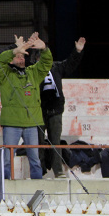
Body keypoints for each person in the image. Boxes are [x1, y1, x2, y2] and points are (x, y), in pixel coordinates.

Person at [0, 32, 52, 180]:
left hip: (32, 123)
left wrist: (44, 49)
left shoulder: (33, 73)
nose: (21, 58)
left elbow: (46, 63)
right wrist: (15, 49)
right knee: (7, 159)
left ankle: (37, 184)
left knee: (35, 159)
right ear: (11, 60)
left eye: (22, 56)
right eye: (17, 56)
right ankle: (5, 184)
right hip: (11, 123)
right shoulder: (5, 74)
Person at [37, 37, 86, 178]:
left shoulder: (57, 67)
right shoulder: (33, 69)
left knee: (55, 141)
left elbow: (71, 64)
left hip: (55, 109)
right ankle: (39, 170)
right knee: (38, 142)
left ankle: (58, 170)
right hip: (38, 110)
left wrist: (77, 51)